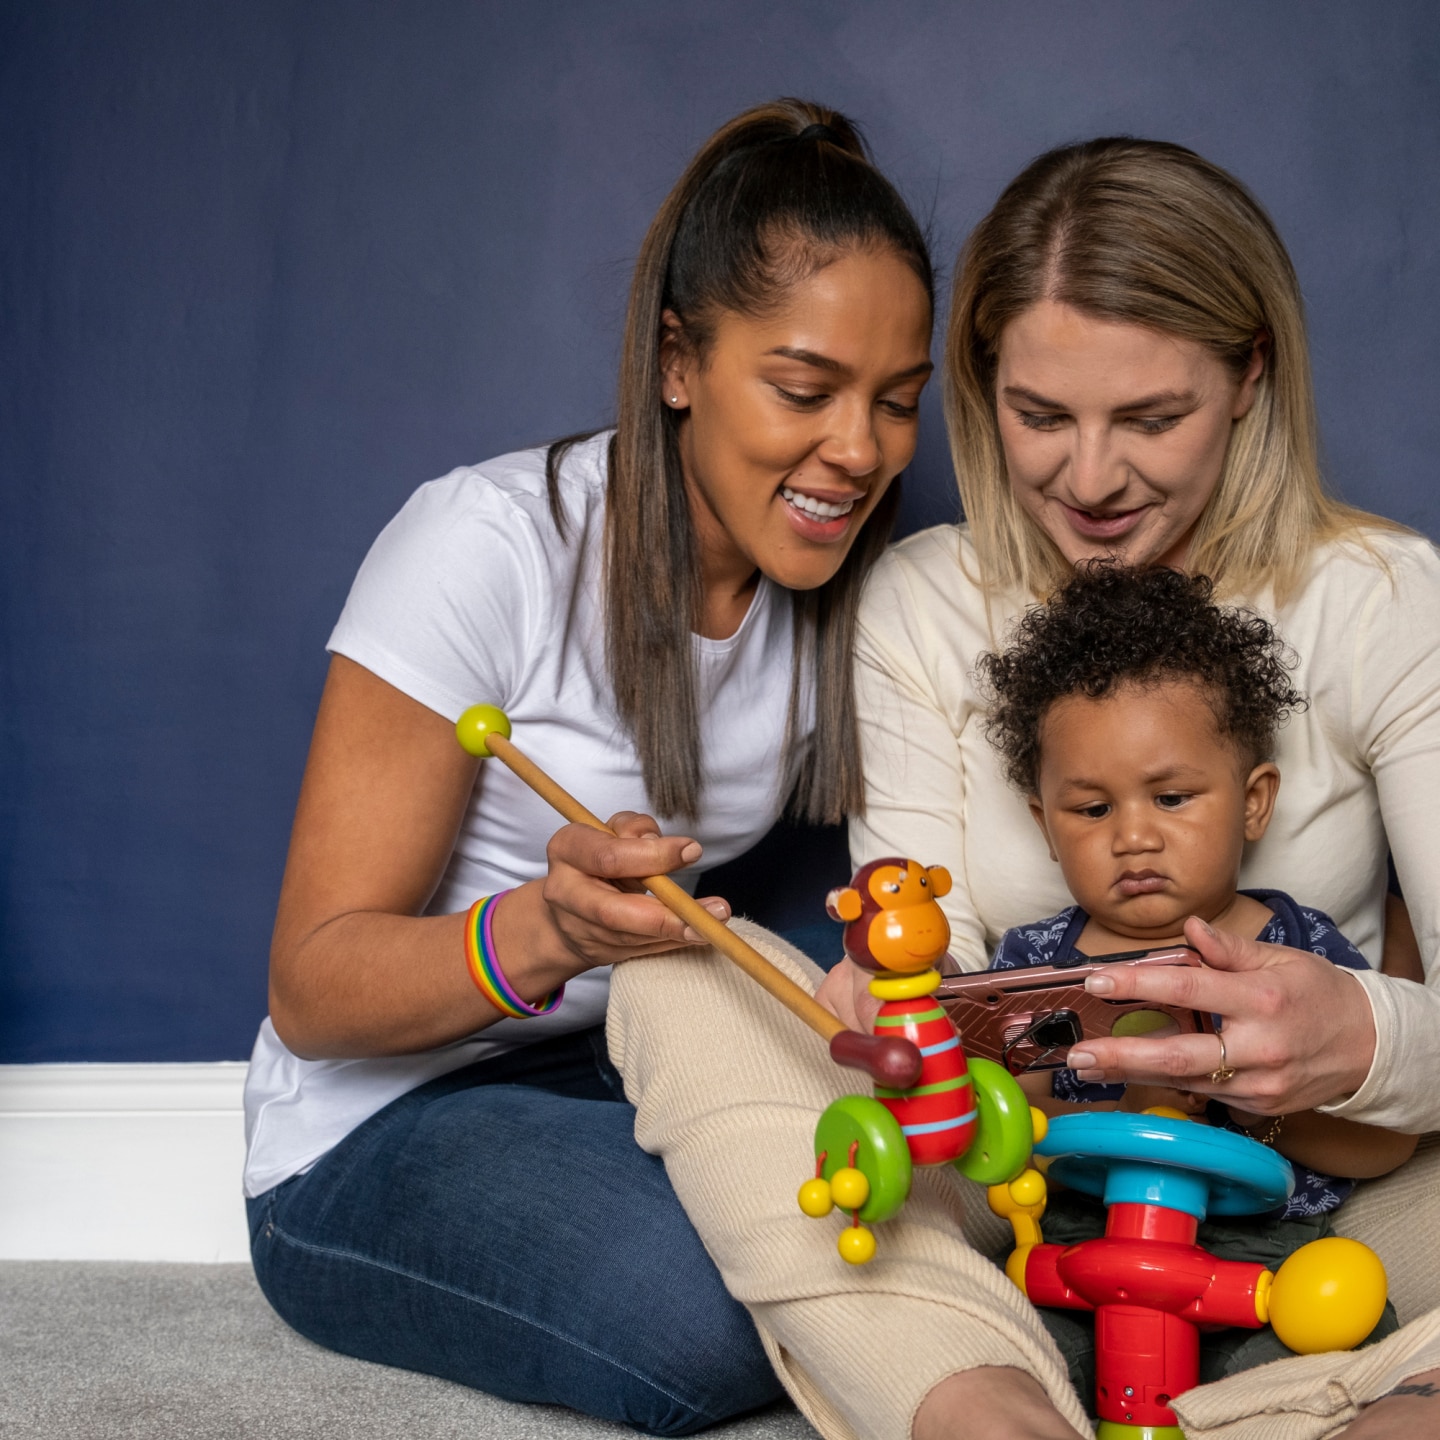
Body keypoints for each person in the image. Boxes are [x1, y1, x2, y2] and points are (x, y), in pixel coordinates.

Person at [605, 137, 1440, 1440]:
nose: (1092, 480)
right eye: (1040, 416)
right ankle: (989, 1408)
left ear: (1250, 378)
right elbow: (926, 978)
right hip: (1017, 1201)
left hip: (1318, 1211)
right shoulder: (924, 604)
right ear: (978, 387)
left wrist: (1363, 1043)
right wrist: (903, 1032)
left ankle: (1372, 1400)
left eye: (1152, 419)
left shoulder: (1384, 600)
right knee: (673, 972)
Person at [242, 97, 936, 1436]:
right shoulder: (485, 546)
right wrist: (547, 930)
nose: (857, 451)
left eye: (896, 404)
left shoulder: (847, 599)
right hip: (379, 1123)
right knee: (722, 1313)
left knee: (894, 1216)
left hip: (620, 1065)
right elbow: (314, 989)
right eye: (804, 389)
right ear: (680, 361)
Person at [979, 562, 1413, 1392]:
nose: (1134, 836)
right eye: (1093, 810)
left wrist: (1253, 1104)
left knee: (1338, 1350)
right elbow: (991, 1111)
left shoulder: (1299, 953)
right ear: (1044, 825)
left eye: (1172, 798)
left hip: (1264, 1250)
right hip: (1078, 1245)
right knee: (1017, 1354)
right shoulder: (1033, 967)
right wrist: (1114, 1104)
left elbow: (1387, 1141)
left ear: (1253, 803)